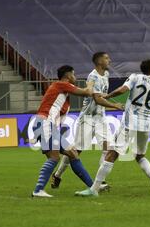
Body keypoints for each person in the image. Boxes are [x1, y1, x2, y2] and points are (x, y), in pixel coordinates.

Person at [75, 59, 150, 197]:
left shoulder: (135, 77)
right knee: (140, 156)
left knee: (112, 153)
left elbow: (123, 89)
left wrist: (108, 95)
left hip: (130, 122)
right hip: (146, 124)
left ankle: (93, 189)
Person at [31, 65, 121, 198]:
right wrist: (91, 84)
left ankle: (93, 188)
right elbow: (87, 92)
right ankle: (38, 190)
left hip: (46, 125)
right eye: (73, 75)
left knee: (72, 154)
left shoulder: (62, 91)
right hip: (45, 124)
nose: (75, 77)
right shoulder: (62, 84)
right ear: (68, 76)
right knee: (54, 158)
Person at [51, 52, 114, 191]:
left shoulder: (107, 75)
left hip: (100, 117)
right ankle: (57, 175)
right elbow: (95, 97)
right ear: (99, 61)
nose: (109, 60)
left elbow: (101, 95)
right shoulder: (92, 76)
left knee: (108, 148)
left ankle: (100, 181)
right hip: (87, 118)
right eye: (106, 58)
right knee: (75, 151)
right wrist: (115, 105)